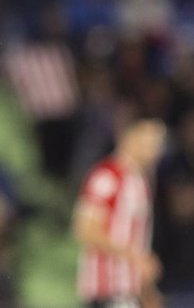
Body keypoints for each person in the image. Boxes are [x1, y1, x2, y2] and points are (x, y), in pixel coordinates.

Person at [73, 118, 167, 308]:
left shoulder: (139, 180)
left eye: (158, 143)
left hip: (130, 292)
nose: (155, 149)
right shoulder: (107, 176)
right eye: (149, 141)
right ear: (128, 138)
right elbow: (85, 229)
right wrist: (136, 257)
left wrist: (147, 292)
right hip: (109, 290)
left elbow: (137, 241)